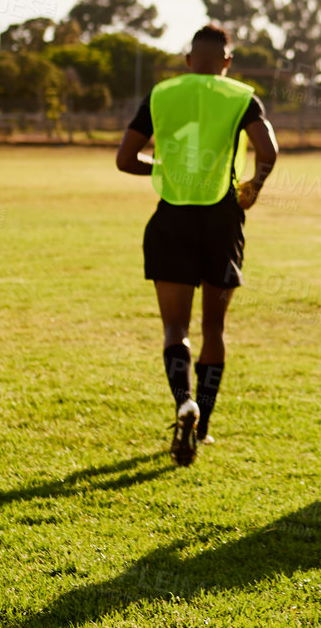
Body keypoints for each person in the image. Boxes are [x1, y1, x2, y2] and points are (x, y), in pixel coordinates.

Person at [115, 24, 276, 466]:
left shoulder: (161, 94)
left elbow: (125, 159)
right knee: (214, 331)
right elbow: (268, 150)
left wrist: (164, 169)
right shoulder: (241, 95)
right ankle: (202, 426)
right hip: (222, 221)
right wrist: (254, 187)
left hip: (170, 221)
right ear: (226, 62)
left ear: (188, 60)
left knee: (175, 330)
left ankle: (184, 401)